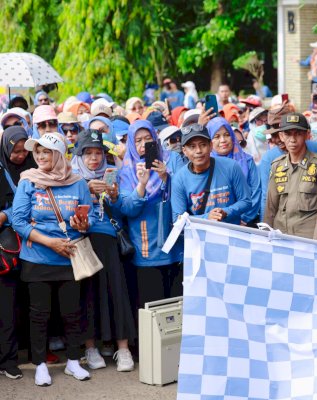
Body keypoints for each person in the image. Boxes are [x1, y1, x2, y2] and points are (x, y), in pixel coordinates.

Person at [12, 133, 95, 386]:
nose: (39, 156)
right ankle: (40, 365)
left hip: (69, 257)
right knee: (39, 314)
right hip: (37, 257)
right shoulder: (28, 180)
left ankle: (72, 361)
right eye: (37, 152)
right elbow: (18, 221)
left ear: (58, 154)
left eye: (45, 151)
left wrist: (82, 225)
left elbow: (88, 221)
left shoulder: (78, 182)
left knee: (72, 312)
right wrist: (50, 243)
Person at [71, 129, 136, 373]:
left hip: (109, 241)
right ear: (80, 156)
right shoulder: (72, 178)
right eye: (88, 153)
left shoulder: (115, 175)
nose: (94, 158)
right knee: (87, 294)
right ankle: (90, 347)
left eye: (98, 153)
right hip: (84, 241)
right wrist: (86, 190)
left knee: (117, 293)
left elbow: (124, 213)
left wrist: (115, 196)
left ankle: (124, 348)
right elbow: (69, 211)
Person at [119, 120, 185, 308]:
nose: (143, 145)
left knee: (177, 306)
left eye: (148, 139)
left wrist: (166, 176)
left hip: (175, 243)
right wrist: (141, 184)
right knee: (152, 308)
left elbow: (185, 195)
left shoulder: (172, 159)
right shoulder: (127, 170)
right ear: (130, 143)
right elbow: (128, 209)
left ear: (156, 139)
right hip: (146, 246)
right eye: (138, 140)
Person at [0, 126, 37, 380]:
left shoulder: (35, 169)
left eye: (24, 149)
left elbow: (35, 201)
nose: (20, 155)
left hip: (20, 247)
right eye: (15, 150)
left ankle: (10, 359)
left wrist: (6, 215)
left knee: (11, 306)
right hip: (6, 245)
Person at [264, 113, 317, 240]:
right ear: (281, 136)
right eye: (288, 134)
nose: (293, 139)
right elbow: (270, 208)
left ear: (307, 135)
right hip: (280, 236)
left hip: (307, 239)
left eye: (298, 134)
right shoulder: (277, 165)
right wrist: (266, 238)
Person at [171, 124, 252, 224]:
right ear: (185, 151)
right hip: (199, 237)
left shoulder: (231, 167)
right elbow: (177, 219)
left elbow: (246, 201)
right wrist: (206, 218)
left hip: (231, 234)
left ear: (210, 146)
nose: (198, 151)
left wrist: (226, 212)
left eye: (203, 145)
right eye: (192, 147)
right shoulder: (179, 179)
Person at [207, 117, 260, 226]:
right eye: (216, 137)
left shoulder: (247, 161)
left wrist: (244, 219)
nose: (223, 140)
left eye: (226, 135)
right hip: (215, 223)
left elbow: (256, 191)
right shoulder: (205, 164)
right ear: (209, 141)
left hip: (246, 223)